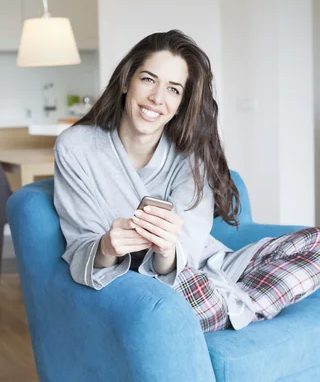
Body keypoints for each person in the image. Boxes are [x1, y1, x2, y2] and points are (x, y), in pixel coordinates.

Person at [53, 29, 320, 332]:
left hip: (205, 269)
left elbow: (191, 252)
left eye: (173, 89)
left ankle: (229, 309)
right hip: (158, 288)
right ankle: (235, 308)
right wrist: (106, 247)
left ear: (182, 102)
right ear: (127, 80)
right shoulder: (77, 147)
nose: (157, 98)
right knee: (172, 301)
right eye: (148, 79)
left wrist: (167, 251)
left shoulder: (191, 155)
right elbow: (80, 245)